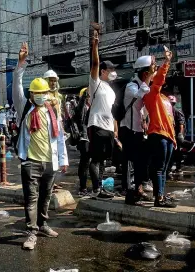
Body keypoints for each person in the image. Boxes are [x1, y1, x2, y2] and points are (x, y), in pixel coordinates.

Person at [13, 42, 69, 250]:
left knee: (46, 196)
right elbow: (17, 86)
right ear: (31, 95)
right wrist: (21, 63)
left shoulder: (52, 112)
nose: (42, 95)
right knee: (31, 198)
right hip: (31, 162)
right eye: (38, 93)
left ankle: (43, 224)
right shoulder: (25, 109)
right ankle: (31, 232)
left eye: (45, 92)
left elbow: (60, 138)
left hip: (50, 162)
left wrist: (63, 160)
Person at [142, 46, 177, 208]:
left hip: (168, 136)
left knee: (164, 170)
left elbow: (170, 120)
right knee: (159, 168)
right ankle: (159, 197)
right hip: (158, 134)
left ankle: (161, 196)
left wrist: (174, 139)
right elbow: (159, 78)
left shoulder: (164, 98)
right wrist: (167, 62)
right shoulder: (151, 93)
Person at [119, 55, 155, 204]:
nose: (153, 74)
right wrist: (148, 79)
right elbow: (141, 94)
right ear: (145, 73)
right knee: (129, 163)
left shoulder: (143, 85)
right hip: (128, 130)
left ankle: (138, 190)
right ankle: (129, 194)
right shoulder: (131, 86)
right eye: (152, 71)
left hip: (139, 131)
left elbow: (145, 107)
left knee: (141, 163)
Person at [87, 23, 118, 196]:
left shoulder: (111, 90)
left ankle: (101, 189)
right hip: (96, 124)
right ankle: (96, 189)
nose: (114, 71)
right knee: (96, 158)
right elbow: (95, 63)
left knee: (104, 160)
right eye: (111, 69)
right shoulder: (96, 83)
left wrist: (115, 129)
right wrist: (95, 45)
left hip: (108, 128)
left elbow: (112, 112)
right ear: (103, 71)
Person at [167, 95, 195, 177]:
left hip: (177, 133)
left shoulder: (177, 111)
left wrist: (180, 134)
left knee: (177, 151)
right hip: (173, 133)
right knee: (176, 151)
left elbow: (181, 124)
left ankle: (188, 144)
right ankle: (176, 167)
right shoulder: (170, 111)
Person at [73, 88, 91, 196]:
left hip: (91, 138)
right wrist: (84, 95)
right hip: (84, 139)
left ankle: (91, 186)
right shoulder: (82, 107)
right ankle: (83, 187)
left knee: (89, 163)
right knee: (84, 163)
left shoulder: (92, 106)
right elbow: (79, 110)